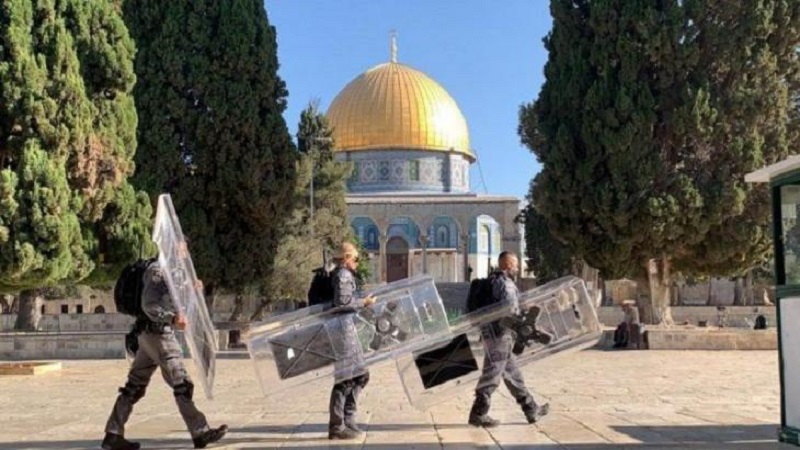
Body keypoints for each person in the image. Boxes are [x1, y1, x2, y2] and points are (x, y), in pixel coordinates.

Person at [101, 259, 227, 450]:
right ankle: (200, 432)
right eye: (182, 246)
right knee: (182, 383)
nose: (184, 249)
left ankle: (113, 433)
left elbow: (172, 299)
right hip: (159, 336)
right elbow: (149, 305)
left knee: (134, 386)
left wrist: (191, 290)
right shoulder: (157, 270)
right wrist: (172, 319)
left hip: (149, 336)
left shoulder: (172, 271)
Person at [469, 251, 549, 428]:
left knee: (513, 373)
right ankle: (478, 413)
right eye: (516, 265)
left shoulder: (492, 281)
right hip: (501, 335)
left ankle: (531, 409)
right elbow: (510, 311)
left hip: (491, 333)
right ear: (509, 265)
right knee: (492, 372)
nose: (518, 269)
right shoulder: (506, 284)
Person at [327, 242, 376, 440]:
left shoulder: (342, 274)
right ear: (346, 258)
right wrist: (364, 302)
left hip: (345, 329)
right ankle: (338, 426)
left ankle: (348, 419)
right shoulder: (343, 275)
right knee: (346, 378)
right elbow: (342, 302)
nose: (357, 262)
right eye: (355, 258)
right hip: (342, 331)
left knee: (360, 375)